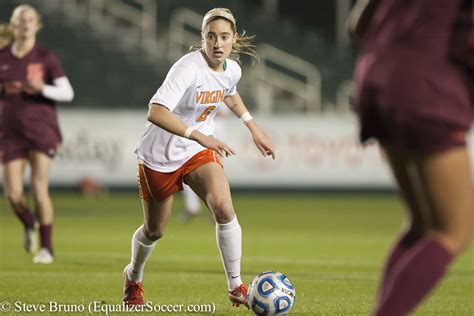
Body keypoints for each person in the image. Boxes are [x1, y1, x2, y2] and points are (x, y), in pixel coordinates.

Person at [122, 7, 275, 308]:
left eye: (224, 37)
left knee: (223, 207)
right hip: (160, 154)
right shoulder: (187, 68)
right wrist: (200, 135)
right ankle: (133, 276)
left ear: (234, 39)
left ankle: (235, 286)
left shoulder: (232, 69)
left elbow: (228, 91)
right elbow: (156, 111)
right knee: (155, 231)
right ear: (202, 38)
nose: (217, 44)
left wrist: (253, 127)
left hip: (196, 151)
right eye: (211, 37)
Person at [348, 0, 473, 315]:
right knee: (454, 230)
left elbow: (357, 26)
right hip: (426, 85)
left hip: (375, 77)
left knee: (421, 224)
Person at [0, 5, 74, 264]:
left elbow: (67, 93)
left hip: (41, 130)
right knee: (13, 194)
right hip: (10, 133)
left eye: (30, 19)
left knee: (40, 188)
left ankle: (47, 248)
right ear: (14, 24)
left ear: (37, 25)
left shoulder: (45, 58)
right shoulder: (2, 58)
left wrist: (43, 88)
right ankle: (28, 223)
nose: (25, 24)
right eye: (21, 20)